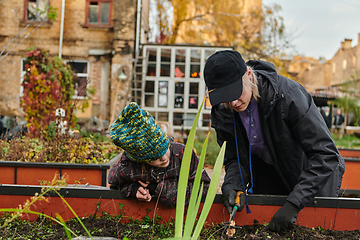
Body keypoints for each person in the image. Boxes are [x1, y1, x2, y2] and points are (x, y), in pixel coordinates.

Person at [203, 50, 345, 233]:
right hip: (270, 179)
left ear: (248, 74)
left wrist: (294, 203)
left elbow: (325, 154)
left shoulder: (289, 96)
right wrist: (233, 184)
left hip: (311, 181)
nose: (233, 102)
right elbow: (235, 157)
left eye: (236, 92)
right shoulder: (224, 111)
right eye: (225, 97)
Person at [108, 102, 211, 207]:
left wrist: (157, 188)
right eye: (155, 158)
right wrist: (134, 189)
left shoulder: (183, 154)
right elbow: (115, 185)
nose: (163, 158)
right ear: (140, 160)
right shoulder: (130, 166)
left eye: (165, 149)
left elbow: (204, 188)